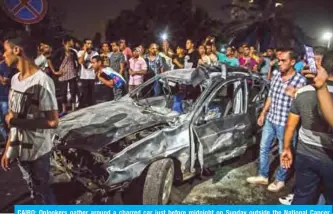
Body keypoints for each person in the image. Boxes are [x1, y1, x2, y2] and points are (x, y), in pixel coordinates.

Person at [1, 34, 59, 204]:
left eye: (5, 51)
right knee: (33, 189)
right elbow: (13, 117)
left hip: (38, 152)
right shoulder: (14, 80)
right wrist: (8, 149)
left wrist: (15, 122)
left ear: (16, 50)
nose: (3, 55)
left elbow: (53, 121)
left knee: (43, 193)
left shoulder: (43, 81)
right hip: (20, 151)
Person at [246, 48, 306, 192]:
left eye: (283, 61)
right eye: (278, 60)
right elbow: (271, 96)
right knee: (263, 147)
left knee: (284, 153)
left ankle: (280, 179)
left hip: (286, 125)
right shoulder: (276, 75)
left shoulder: (300, 81)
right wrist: (263, 113)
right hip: (271, 120)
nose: (279, 63)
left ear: (292, 62)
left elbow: (304, 106)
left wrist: (296, 94)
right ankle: (263, 175)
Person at [281, 50, 333, 204]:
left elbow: (291, 125)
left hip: (305, 155)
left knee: (303, 197)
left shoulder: (303, 92)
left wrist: (286, 148)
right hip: (329, 159)